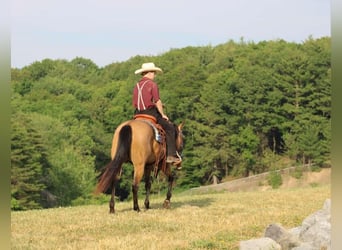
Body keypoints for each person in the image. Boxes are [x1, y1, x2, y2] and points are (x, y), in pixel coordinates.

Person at [132, 62, 182, 165]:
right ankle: (170, 155)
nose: (154, 75)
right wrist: (163, 114)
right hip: (150, 113)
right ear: (149, 73)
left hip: (137, 114)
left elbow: (137, 102)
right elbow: (157, 101)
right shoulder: (152, 84)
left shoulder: (137, 85)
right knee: (170, 128)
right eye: (154, 73)